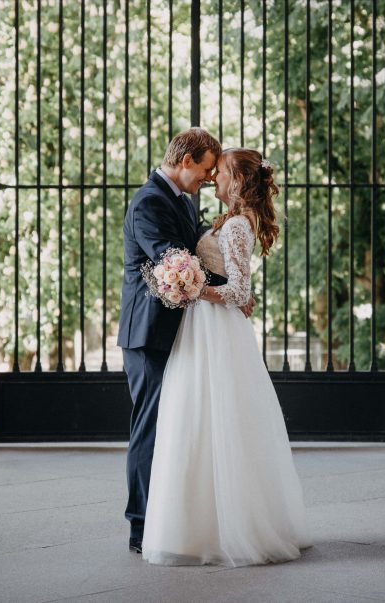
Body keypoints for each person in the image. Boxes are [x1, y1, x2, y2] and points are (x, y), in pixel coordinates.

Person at [142, 147, 312, 567]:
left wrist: (191, 289)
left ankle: (226, 528)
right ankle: (200, 524)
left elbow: (239, 292)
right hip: (204, 327)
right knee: (197, 424)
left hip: (214, 329)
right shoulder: (228, 221)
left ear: (235, 182)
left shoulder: (237, 226)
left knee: (215, 424)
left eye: (219, 173)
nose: (212, 178)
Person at [117, 128, 254, 555]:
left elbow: (203, 257)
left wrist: (236, 289)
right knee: (152, 428)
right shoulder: (149, 202)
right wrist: (229, 291)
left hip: (181, 332)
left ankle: (174, 519)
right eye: (207, 169)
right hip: (150, 334)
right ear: (187, 160)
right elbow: (174, 263)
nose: (210, 179)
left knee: (178, 429)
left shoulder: (179, 200)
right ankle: (141, 526)